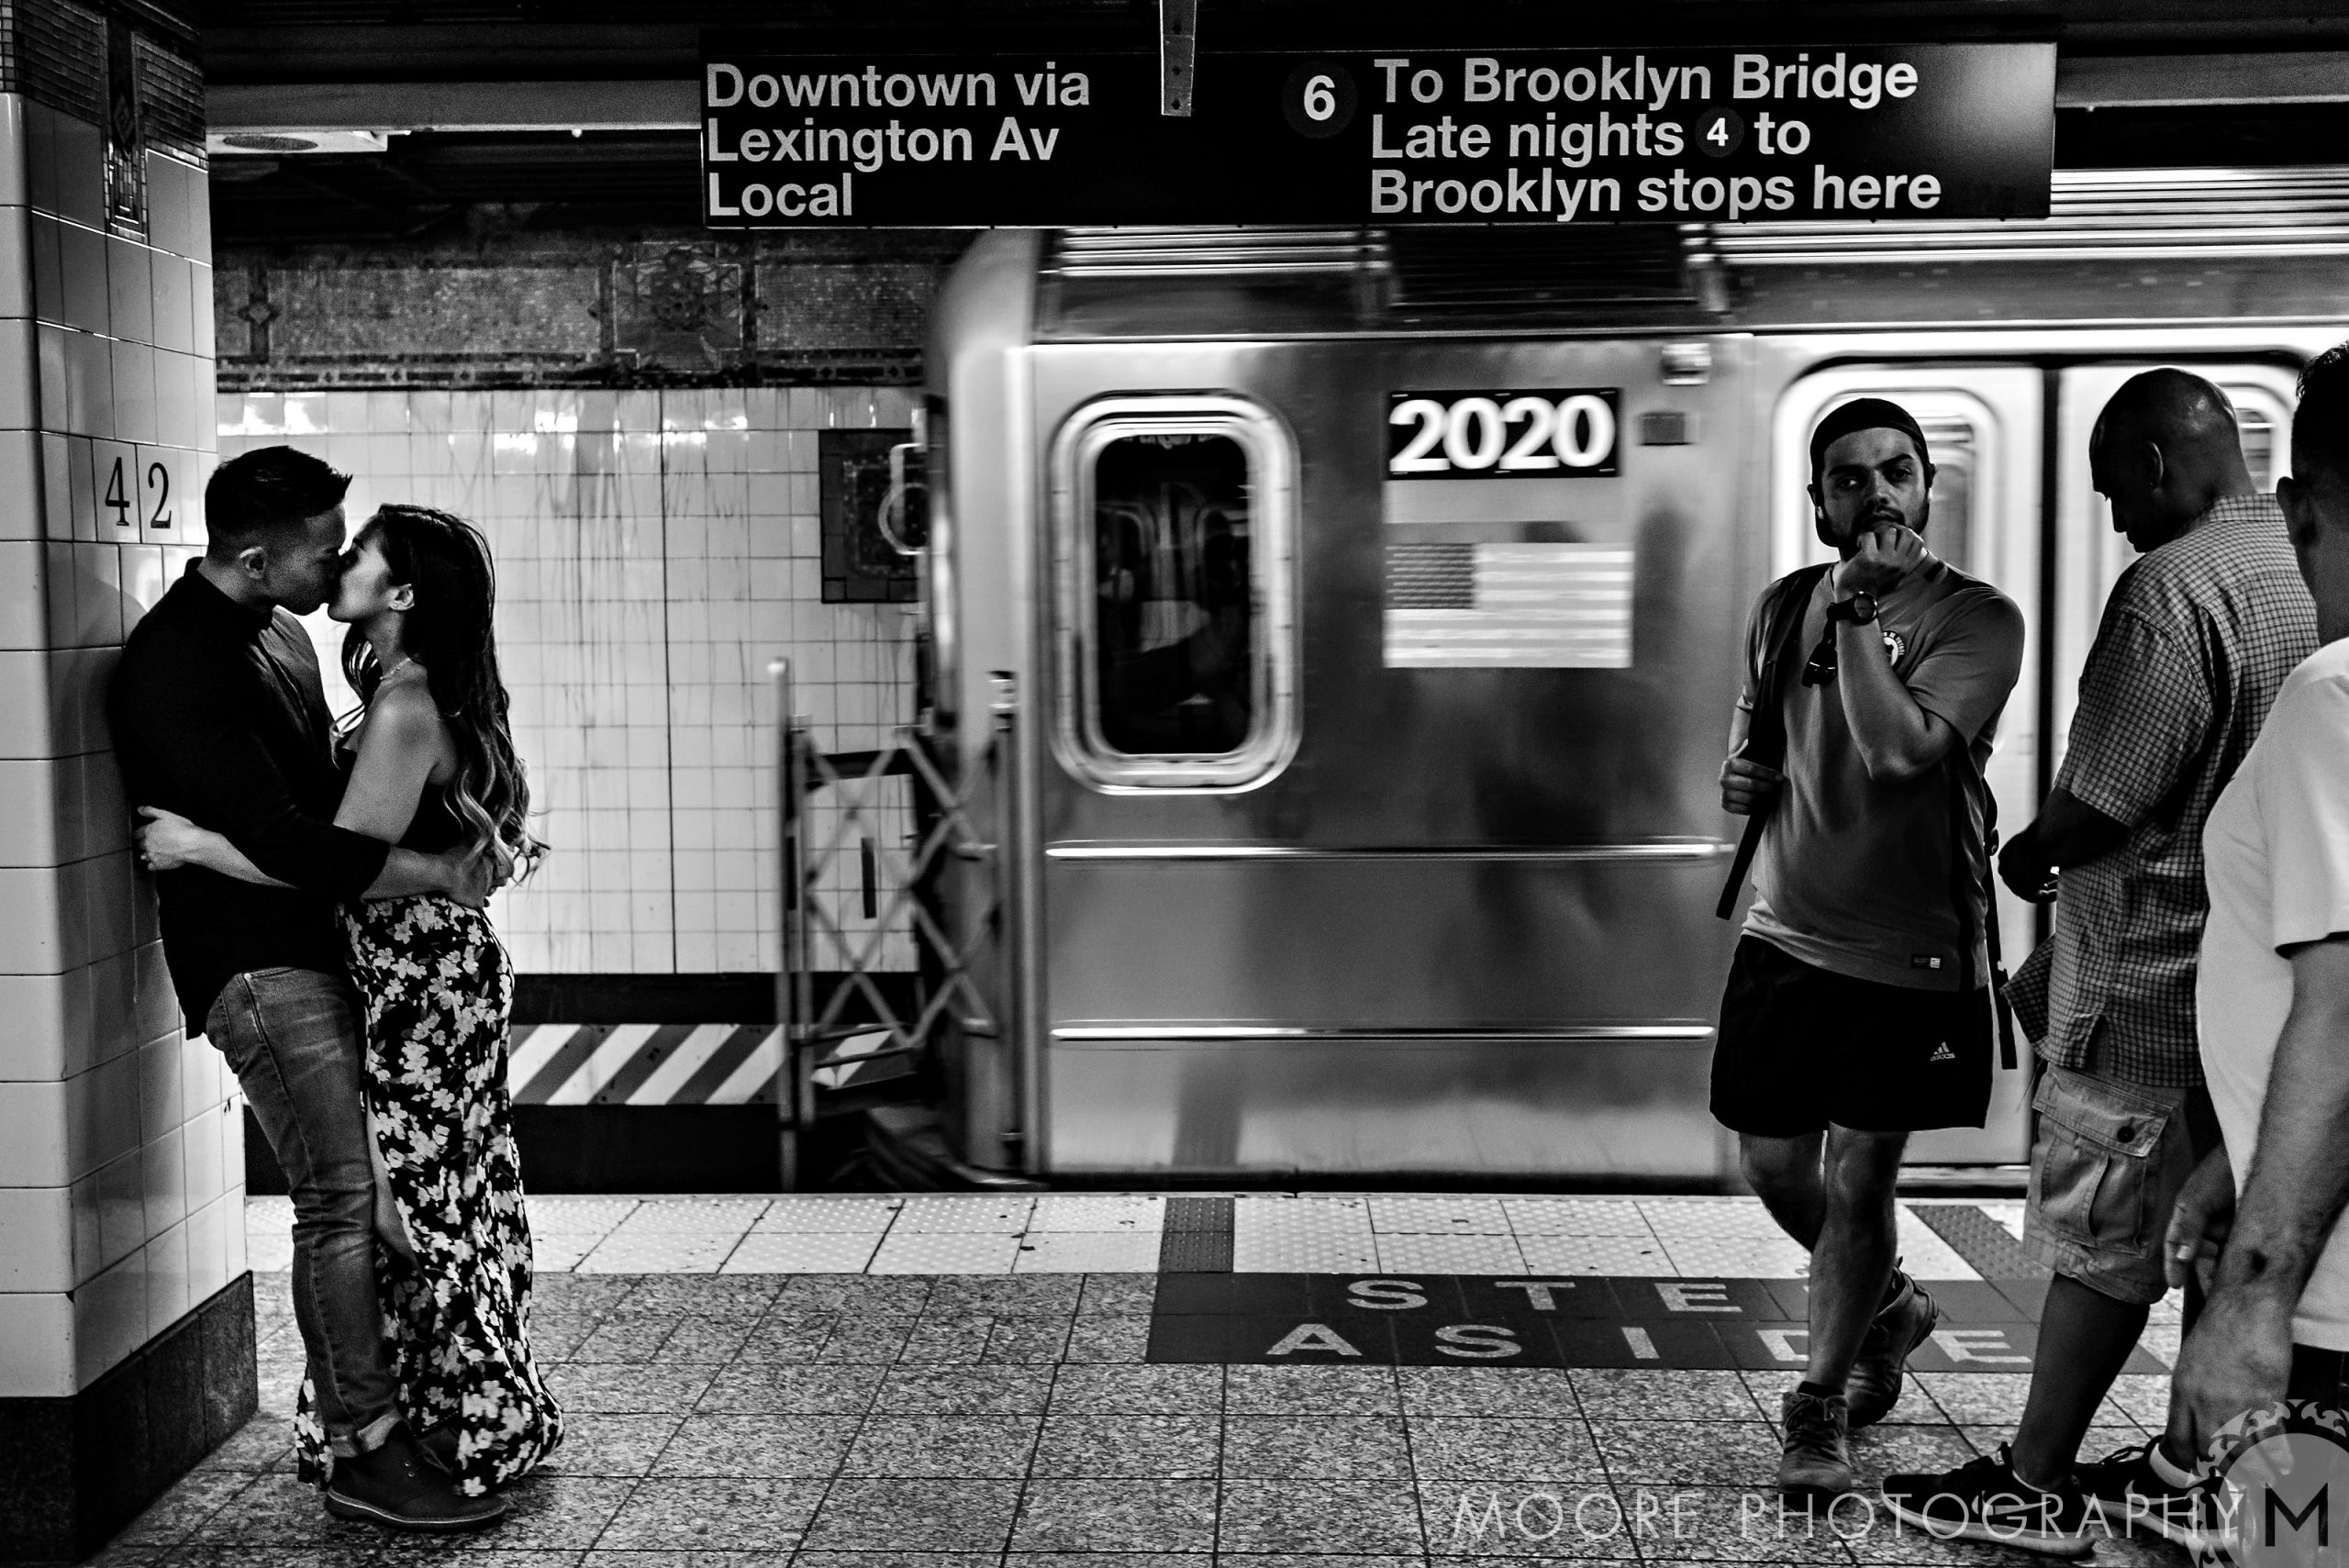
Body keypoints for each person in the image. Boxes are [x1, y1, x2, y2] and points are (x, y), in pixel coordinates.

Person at [1881, 373, 2318, 1553]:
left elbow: (2104, 798)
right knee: (2201, 1241)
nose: (2116, 516)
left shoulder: (2166, 590)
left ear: (2159, 464)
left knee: (2102, 1239)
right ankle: (2189, 1470)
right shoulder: (2301, 567)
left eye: (2115, 488)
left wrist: (2023, 853)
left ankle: (2032, 1482)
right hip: (2247, 987)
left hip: (2141, 983)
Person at [109, 451, 506, 1531]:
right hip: (255, 967)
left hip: (323, 956)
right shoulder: (177, 664)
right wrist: (441, 872)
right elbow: (300, 844)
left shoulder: (283, 634)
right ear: (254, 554)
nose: (336, 558)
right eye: (323, 544)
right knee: (339, 1200)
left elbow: (329, 822)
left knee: (371, 1196)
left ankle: (403, 1411)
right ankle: (365, 1451)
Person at [1712, 398, 2027, 1502]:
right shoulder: (1782, 605)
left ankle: (1818, 1410)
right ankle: (1892, 1303)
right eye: (1850, 480)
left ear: (1928, 487)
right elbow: (1755, 736)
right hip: (1784, 929)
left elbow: (1900, 754)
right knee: (1772, 1165)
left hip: (1907, 953)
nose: (1877, 494)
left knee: (1859, 1174)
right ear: (1819, 504)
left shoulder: (1978, 619)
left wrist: (1855, 612)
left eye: (1897, 472)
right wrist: (1738, 776)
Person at [2167, 342, 2349, 1445]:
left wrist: (2251, 1294)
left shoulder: (2336, 695)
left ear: (2295, 510)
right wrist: (2238, 1152)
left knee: (2289, 1544)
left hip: (2330, 1319)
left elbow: (2342, 1011)